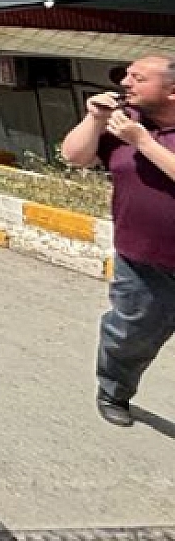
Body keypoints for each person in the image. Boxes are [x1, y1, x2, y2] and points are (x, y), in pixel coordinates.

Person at [61, 54, 175, 428]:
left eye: (137, 78)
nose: (125, 83)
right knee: (129, 336)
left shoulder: (133, 131)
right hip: (144, 262)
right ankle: (114, 392)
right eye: (126, 75)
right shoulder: (122, 121)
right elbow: (73, 157)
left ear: (171, 90)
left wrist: (142, 142)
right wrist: (94, 119)